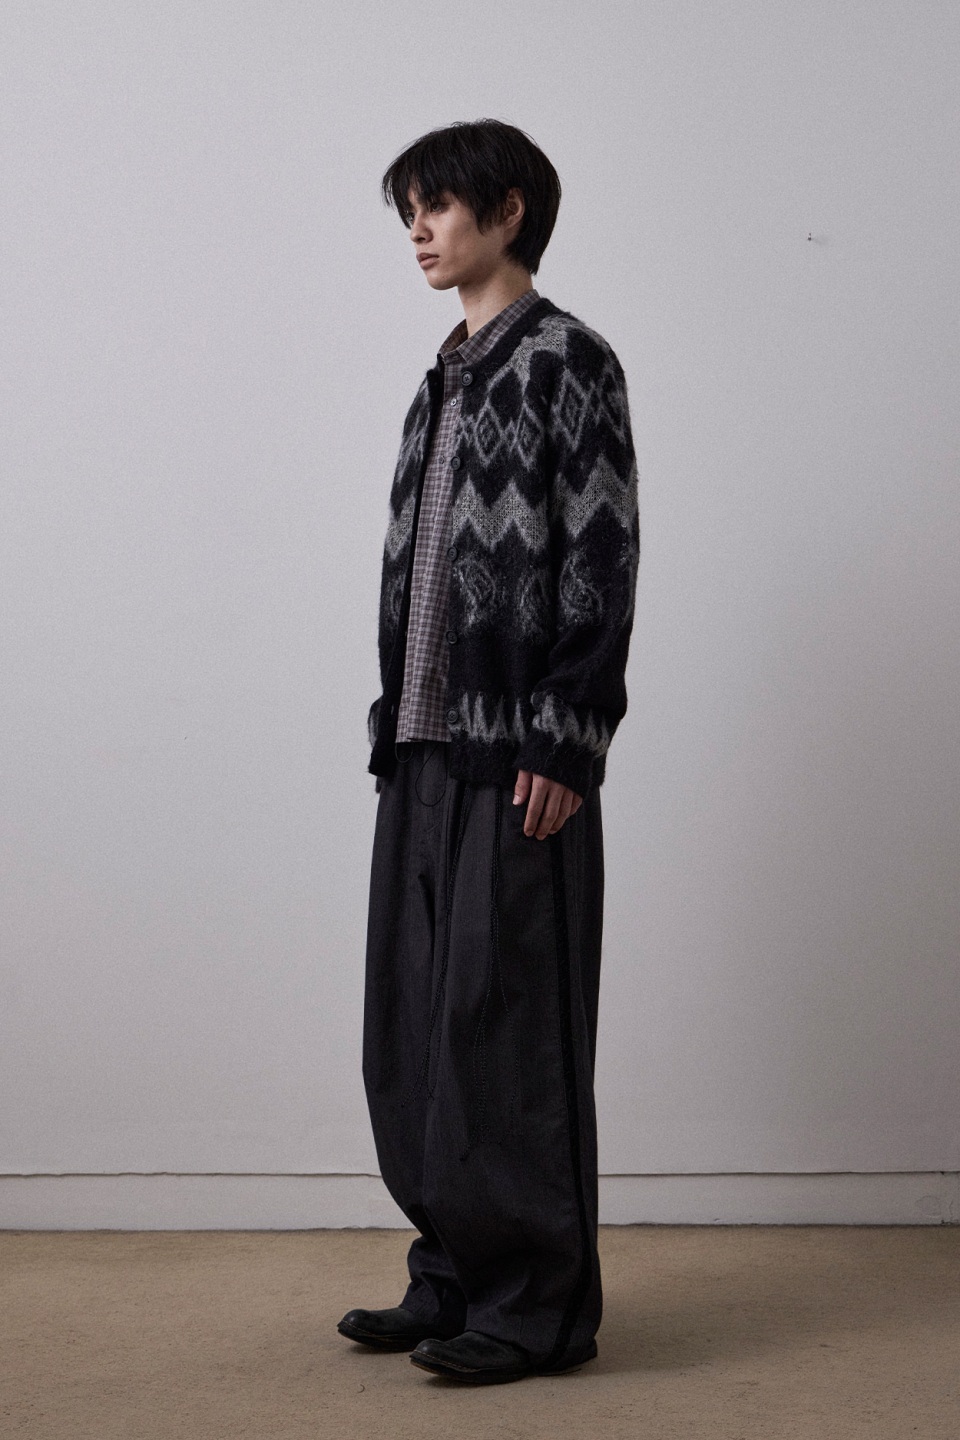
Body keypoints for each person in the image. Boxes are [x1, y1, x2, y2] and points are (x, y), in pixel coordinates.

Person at [338, 118, 639, 1385]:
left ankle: (536, 1308)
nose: (418, 228)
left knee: (505, 1036)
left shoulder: (570, 361)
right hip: (420, 751)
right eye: (408, 208)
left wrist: (569, 738)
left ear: (507, 212)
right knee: (412, 1036)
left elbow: (602, 557)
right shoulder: (443, 378)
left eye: (438, 205)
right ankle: (454, 1276)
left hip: (522, 756)